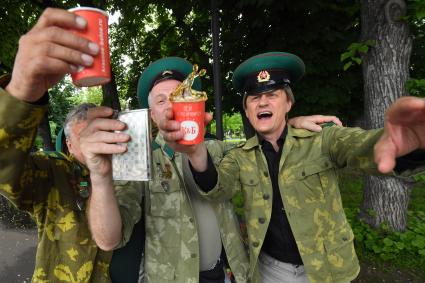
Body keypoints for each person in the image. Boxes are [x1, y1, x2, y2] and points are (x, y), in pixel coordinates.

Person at [157, 51, 425, 283]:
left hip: (329, 269)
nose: (262, 102)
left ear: (288, 103)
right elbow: (217, 188)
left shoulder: (323, 139)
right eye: (254, 98)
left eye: (272, 94)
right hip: (271, 271)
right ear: (247, 111)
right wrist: (195, 152)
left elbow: (361, 146)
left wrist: (404, 144)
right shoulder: (240, 156)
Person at [81, 56, 343, 283]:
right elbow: (108, 239)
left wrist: (290, 123)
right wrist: (100, 176)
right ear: (151, 114)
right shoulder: (138, 160)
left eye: (179, 96)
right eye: (162, 101)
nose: (172, 106)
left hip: (226, 275)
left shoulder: (219, 151)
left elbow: (266, 145)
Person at [0, 8, 142, 282]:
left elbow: (112, 237)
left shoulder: (124, 170)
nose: (96, 141)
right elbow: (5, 169)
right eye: (85, 134)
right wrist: (21, 93)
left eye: (100, 130)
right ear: (68, 142)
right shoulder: (54, 169)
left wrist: (102, 174)